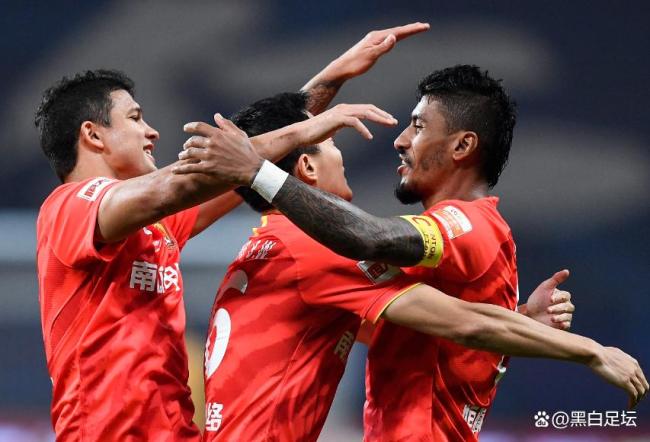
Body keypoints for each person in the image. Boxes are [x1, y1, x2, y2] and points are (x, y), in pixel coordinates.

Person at [175, 68, 648, 440]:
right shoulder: (316, 247)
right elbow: (459, 317)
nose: (399, 140)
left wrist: (521, 321)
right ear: (306, 168)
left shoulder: (268, 244)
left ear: (463, 145)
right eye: (333, 144)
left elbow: (432, 324)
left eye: (417, 126)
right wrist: (589, 350)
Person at [33, 63, 399, 440]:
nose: (151, 131)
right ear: (93, 134)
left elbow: (240, 169)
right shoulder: (69, 207)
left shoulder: (156, 226)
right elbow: (180, 184)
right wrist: (305, 130)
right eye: (135, 118)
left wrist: (332, 79)